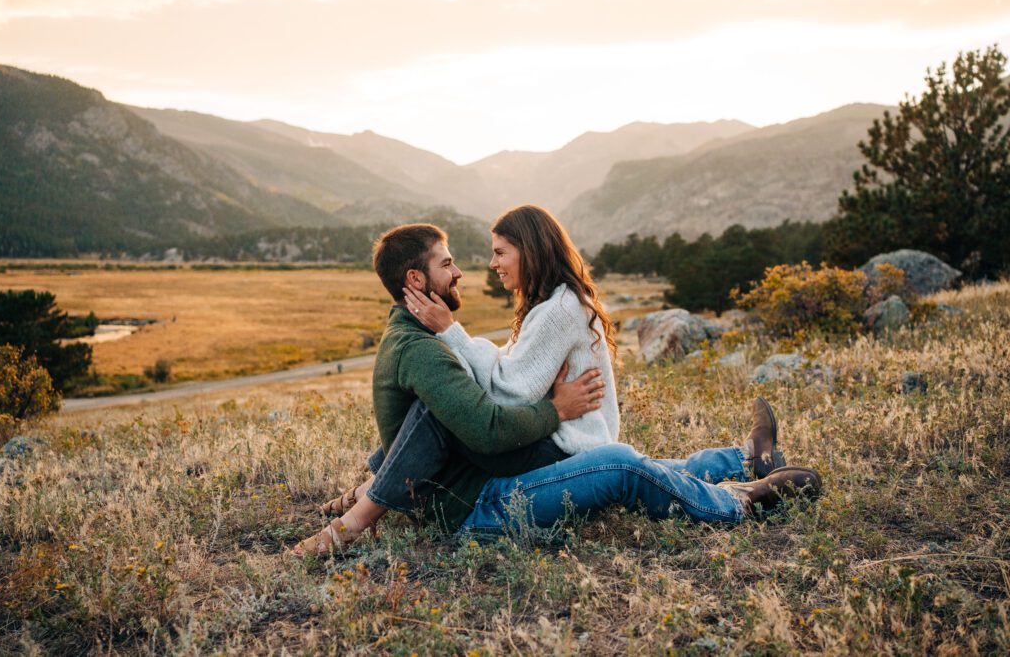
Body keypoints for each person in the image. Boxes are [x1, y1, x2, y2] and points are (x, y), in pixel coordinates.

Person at [292, 213, 819, 556]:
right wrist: (558, 407)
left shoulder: (425, 339)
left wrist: (365, 493)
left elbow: (455, 414)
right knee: (627, 466)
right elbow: (483, 424)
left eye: (498, 253)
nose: (473, 271)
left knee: (631, 465)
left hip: (501, 475)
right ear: (415, 280)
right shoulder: (423, 349)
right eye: (449, 264)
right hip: (479, 504)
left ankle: (744, 462)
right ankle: (741, 496)